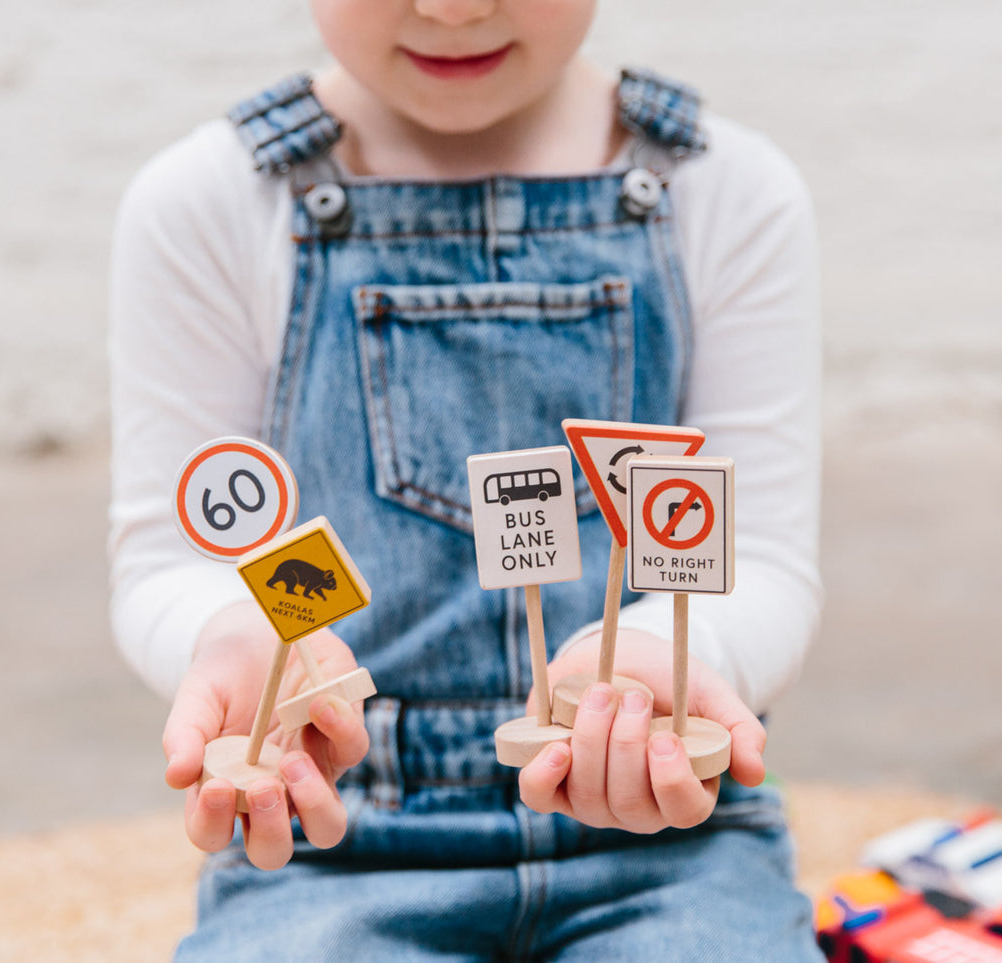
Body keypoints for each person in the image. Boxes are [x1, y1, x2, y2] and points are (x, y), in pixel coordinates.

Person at [109, 1, 823, 958]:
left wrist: (664, 659)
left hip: (671, 838)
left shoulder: (730, 192)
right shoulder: (206, 202)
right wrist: (239, 635)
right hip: (336, 840)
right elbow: (167, 555)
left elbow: (762, 555)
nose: (452, 8)